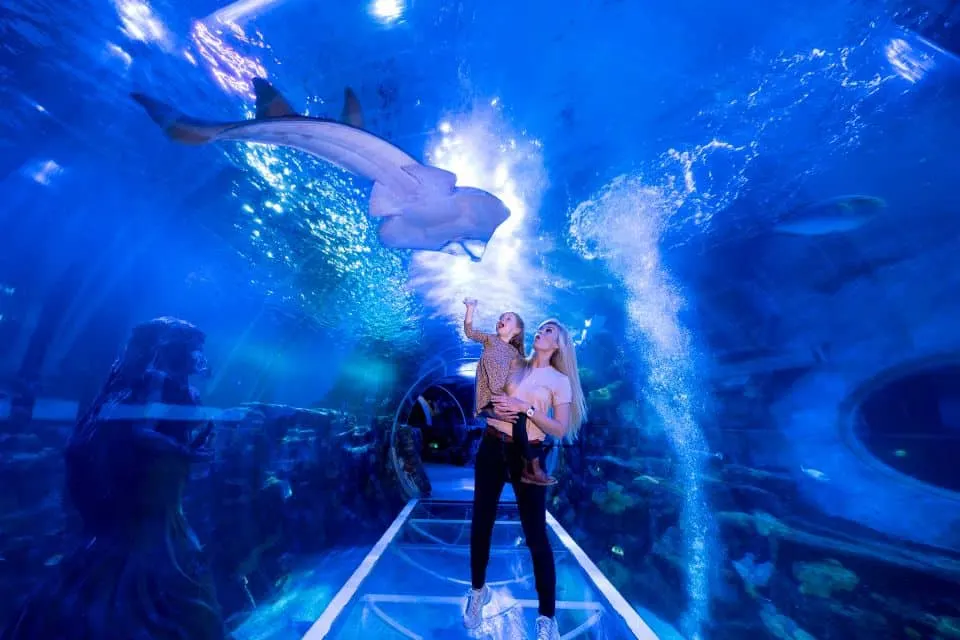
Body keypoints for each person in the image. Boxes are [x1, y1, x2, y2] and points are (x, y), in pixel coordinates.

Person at [462, 319, 588, 640]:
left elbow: (559, 428)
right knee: (481, 524)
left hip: (528, 454)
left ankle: (547, 618)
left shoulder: (560, 381)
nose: (541, 333)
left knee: (536, 536)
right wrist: (494, 411)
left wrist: (526, 408)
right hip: (492, 447)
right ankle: (478, 592)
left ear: (559, 344)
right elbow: (486, 401)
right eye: (540, 328)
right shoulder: (513, 363)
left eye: (550, 331)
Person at [462, 299, 554, 485]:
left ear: (517, 330)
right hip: (490, 398)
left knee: (524, 418)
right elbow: (469, 332)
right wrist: (470, 309)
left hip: (505, 397)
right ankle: (532, 466)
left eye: (508, 318)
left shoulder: (516, 355)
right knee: (520, 418)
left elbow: (522, 379)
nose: (502, 319)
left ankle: (528, 464)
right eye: (501, 317)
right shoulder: (490, 340)